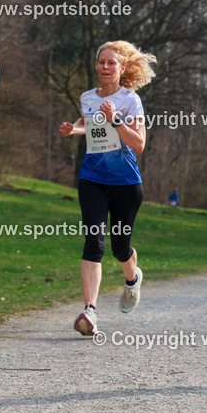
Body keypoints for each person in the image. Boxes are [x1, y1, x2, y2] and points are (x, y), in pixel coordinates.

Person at [58, 41, 155, 336]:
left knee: (120, 248)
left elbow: (139, 144)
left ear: (122, 68)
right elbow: (87, 122)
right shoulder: (87, 97)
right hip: (92, 179)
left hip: (125, 183)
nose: (105, 67)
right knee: (94, 243)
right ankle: (90, 311)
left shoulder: (131, 101)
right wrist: (73, 128)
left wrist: (115, 119)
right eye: (101, 62)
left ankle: (132, 279)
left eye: (111, 62)